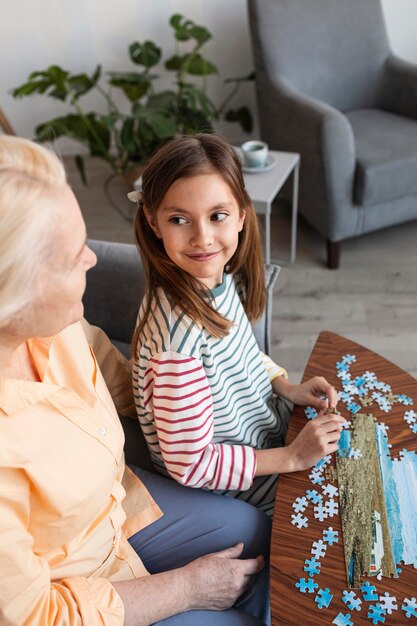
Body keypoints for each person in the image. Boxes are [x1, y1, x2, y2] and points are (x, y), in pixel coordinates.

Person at [0, 135, 273, 626]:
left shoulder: (52, 324)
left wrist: (184, 393)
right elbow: (37, 615)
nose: (92, 260)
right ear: (12, 293)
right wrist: (186, 588)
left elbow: (115, 373)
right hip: (73, 592)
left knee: (253, 528)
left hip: (114, 508)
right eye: (69, 257)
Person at [131, 133, 344, 517]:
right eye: (179, 219)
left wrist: (286, 386)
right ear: (153, 222)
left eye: (217, 216)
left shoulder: (214, 276)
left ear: (242, 215)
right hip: (242, 488)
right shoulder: (175, 351)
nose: (203, 239)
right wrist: (293, 457)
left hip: (270, 438)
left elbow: (240, 352)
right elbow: (192, 465)